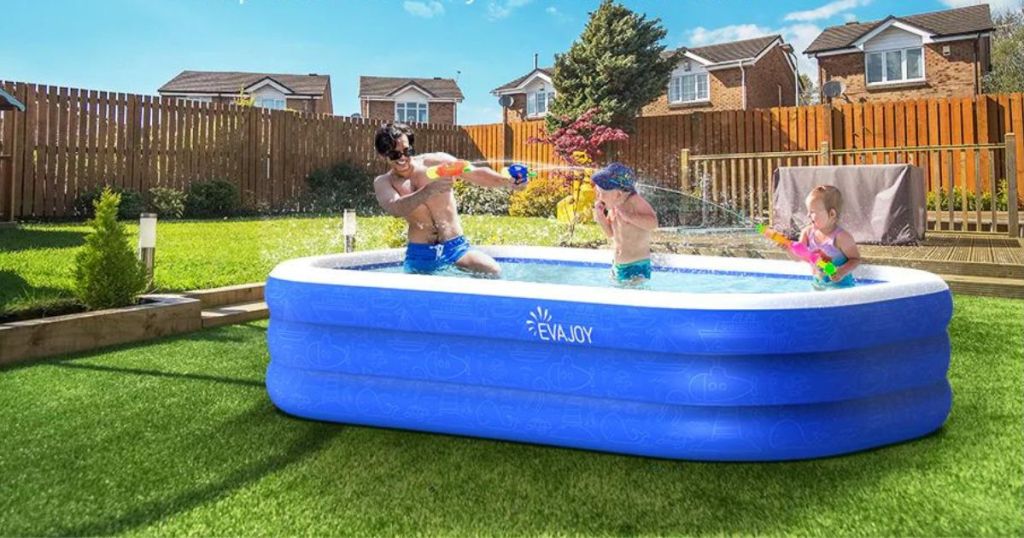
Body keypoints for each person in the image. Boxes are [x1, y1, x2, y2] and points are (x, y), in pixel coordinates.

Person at [372, 122, 522, 276]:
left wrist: (507, 181)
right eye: (395, 154)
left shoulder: (438, 162)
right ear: (383, 155)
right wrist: (428, 190)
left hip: (455, 247)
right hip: (420, 252)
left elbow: (476, 173)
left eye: (407, 150)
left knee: (492, 271)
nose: (403, 157)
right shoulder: (383, 182)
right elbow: (396, 208)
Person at [591, 162, 659, 282]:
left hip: (637, 266)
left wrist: (630, 217)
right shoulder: (614, 206)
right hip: (618, 265)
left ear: (618, 194)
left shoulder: (635, 202)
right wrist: (601, 217)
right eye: (598, 193)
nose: (599, 198)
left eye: (602, 194)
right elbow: (610, 233)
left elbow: (653, 223)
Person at [799, 185, 861, 288]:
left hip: (841, 287)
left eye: (812, 212)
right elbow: (800, 254)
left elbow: (855, 259)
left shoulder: (842, 237)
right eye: (808, 211)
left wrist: (842, 271)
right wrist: (786, 246)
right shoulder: (807, 233)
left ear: (832, 214)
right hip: (818, 285)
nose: (808, 215)